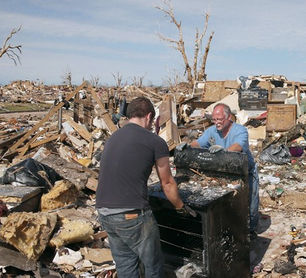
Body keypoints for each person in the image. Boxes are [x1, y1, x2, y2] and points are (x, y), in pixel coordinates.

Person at [96, 97, 195, 278]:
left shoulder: (113, 137)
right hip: (132, 215)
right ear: (149, 116)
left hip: (105, 213)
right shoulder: (154, 141)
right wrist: (181, 207)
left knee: (126, 265)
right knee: (153, 264)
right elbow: (167, 183)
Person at [177, 103, 260, 238]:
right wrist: (188, 146)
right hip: (226, 172)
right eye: (214, 120)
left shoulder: (240, 130)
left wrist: (225, 152)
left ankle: (252, 231)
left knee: (250, 203)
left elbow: (238, 146)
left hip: (246, 172)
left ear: (228, 117)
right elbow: (200, 142)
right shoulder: (212, 131)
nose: (216, 123)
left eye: (219, 119)